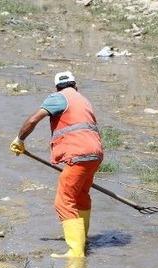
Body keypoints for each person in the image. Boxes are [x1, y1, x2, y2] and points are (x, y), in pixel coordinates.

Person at [10, 71, 103, 258]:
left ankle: (76, 252)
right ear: (75, 85)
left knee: (64, 201)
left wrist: (19, 139)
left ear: (56, 88)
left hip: (78, 155)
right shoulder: (83, 100)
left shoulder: (58, 98)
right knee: (81, 195)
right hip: (95, 154)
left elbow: (33, 119)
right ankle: (82, 240)